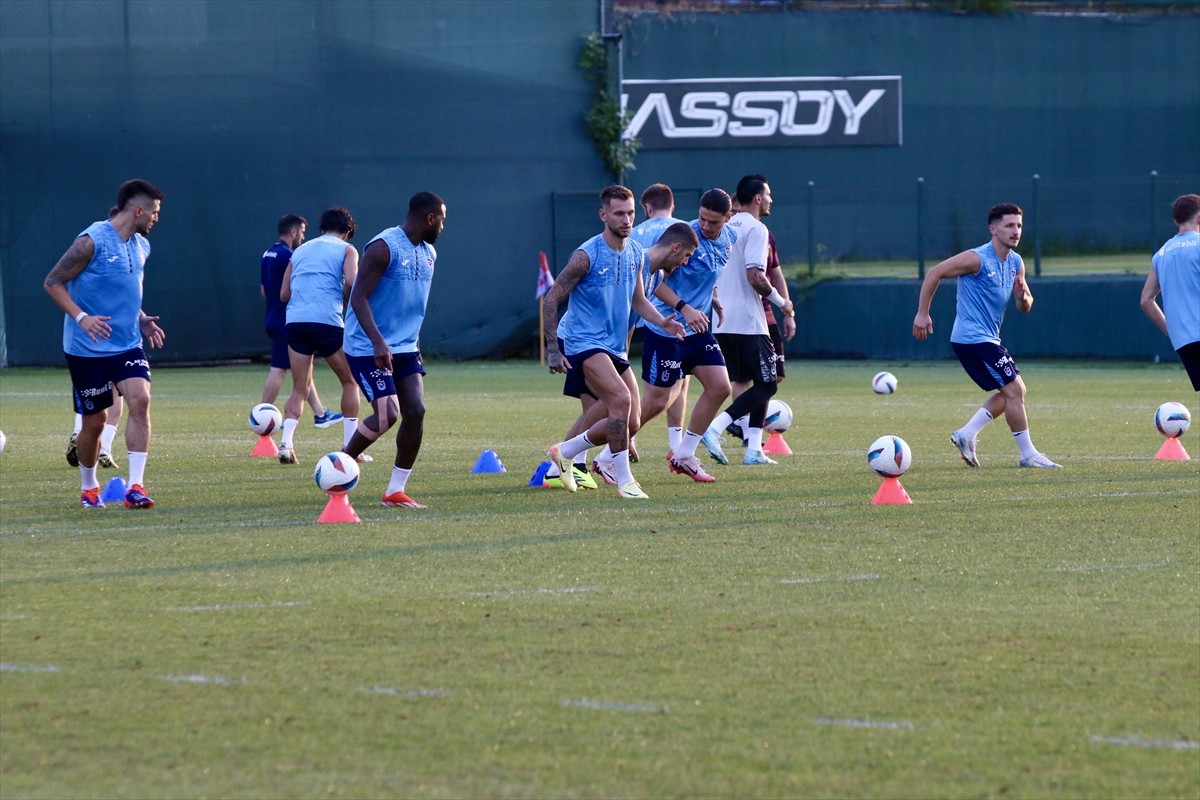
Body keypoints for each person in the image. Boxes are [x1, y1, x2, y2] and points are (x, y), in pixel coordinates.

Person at [542, 184, 686, 499]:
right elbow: (551, 298)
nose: (626, 220)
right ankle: (625, 482)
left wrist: (662, 321)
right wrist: (552, 349)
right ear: (603, 215)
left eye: (630, 213)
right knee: (620, 400)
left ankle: (566, 452)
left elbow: (638, 300)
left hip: (614, 346)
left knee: (631, 421)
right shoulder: (586, 256)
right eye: (619, 213)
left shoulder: (635, 253)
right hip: (582, 342)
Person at [43, 178, 167, 508]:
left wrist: (141, 318)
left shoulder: (142, 246)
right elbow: (52, 282)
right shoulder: (90, 241)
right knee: (94, 422)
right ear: (137, 210)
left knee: (140, 400)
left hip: (127, 344)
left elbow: (124, 289)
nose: (156, 218)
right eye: (154, 212)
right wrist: (82, 318)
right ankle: (89, 487)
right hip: (87, 349)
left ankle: (136, 487)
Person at [912, 202, 1060, 468]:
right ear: (993, 229)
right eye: (1009, 225)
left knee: (1012, 393)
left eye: (1019, 226)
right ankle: (1028, 455)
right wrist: (923, 313)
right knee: (1014, 390)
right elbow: (935, 273)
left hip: (987, 340)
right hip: (972, 339)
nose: (1016, 231)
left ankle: (967, 434)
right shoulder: (977, 258)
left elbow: (1025, 306)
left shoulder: (1016, 262)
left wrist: (1023, 297)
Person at [340, 192, 447, 508]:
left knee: (416, 412)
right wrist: (377, 341)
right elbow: (357, 297)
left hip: (406, 348)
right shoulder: (383, 247)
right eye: (442, 220)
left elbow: (409, 305)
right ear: (430, 218)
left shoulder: (429, 253)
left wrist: (413, 344)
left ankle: (395, 492)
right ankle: (339, 465)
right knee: (387, 415)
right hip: (367, 345)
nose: (443, 227)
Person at [636, 189, 735, 483]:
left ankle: (684, 456)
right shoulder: (684, 238)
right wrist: (685, 307)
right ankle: (606, 454)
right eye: (702, 218)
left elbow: (710, 274)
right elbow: (653, 283)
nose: (705, 226)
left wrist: (713, 297)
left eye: (713, 222)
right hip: (667, 328)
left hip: (697, 329)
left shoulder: (730, 238)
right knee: (658, 401)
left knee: (720, 387)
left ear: (728, 219)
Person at [702, 175, 794, 466]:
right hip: (748, 322)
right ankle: (715, 427)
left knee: (755, 381)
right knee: (768, 385)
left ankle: (754, 449)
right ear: (757, 198)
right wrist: (782, 303)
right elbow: (756, 276)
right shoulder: (757, 228)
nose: (770, 200)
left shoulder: (726, 226)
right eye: (768, 195)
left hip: (722, 321)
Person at [277, 206, 362, 464]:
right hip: (327, 321)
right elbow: (352, 282)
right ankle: (351, 449)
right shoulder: (347, 249)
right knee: (350, 382)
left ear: (322, 228)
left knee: (299, 388)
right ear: (347, 232)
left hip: (296, 321)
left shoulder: (299, 251)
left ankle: (285, 444)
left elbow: (284, 295)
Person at [260, 214, 340, 427]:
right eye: (302, 232)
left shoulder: (268, 253)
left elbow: (264, 291)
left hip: (272, 315)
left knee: (302, 370)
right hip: (285, 319)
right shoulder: (290, 256)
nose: (303, 237)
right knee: (279, 368)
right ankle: (260, 416)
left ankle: (320, 413)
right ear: (293, 231)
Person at [1140, 193, 1200, 391]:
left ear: (1176, 221)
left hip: (1183, 340)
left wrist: (1171, 330)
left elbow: (1146, 300)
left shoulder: (1161, 254)